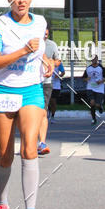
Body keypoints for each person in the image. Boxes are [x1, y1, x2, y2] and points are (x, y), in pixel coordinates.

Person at [0, 0, 54, 209]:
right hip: (3, 91)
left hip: (31, 91)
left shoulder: (41, 22)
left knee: (29, 147)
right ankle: (2, 204)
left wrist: (45, 60)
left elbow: (37, 53)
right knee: (5, 154)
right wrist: (23, 51)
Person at [38, 27, 62, 155]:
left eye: (47, 34)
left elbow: (58, 60)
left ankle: (42, 142)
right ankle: (28, 141)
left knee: (42, 111)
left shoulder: (52, 45)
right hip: (31, 83)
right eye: (43, 34)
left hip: (46, 83)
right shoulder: (32, 43)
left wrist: (52, 62)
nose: (45, 36)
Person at [82, 56, 105, 123]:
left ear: (97, 59)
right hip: (90, 87)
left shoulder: (100, 68)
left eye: (95, 59)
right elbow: (83, 78)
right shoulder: (88, 68)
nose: (94, 60)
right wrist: (87, 79)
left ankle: (100, 106)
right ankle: (93, 119)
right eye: (93, 59)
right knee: (92, 103)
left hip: (99, 88)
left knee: (97, 105)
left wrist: (101, 81)